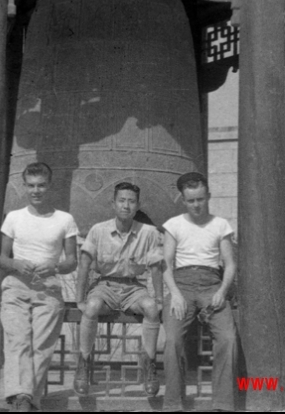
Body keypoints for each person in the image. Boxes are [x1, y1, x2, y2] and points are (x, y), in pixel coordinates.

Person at [0, 162, 79, 412]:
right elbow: (2, 258)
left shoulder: (65, 220)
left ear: (49, 186)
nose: (36, 190)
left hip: (49, 288)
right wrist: (15, 263)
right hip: (16, 286)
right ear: (25, 187)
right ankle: (25, 400)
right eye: (31, 185)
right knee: (17, 342)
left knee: (41, 347)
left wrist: (54, 268)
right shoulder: (13, 217)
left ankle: (23, 400)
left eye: (41, 185)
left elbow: (71, 261)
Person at [74, 182, 163, 397]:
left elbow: (155, 268)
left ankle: (150, 366)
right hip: (105, 285)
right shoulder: (98, 230)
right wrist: (79, 298)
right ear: (113, 203)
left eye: (131, 201)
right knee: (92, 307)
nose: (126, 206)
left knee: (151, 308)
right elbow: (84, 263)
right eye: (121, 200)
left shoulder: (148, 233)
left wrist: (159, 298)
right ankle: (83, 365)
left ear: (137, 205)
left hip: (132, 287)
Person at [162, 172, 237, 412]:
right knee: (173, 340)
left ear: (209, 197)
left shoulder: (220, 225)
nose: (196, 204)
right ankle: (173, 404)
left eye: (201, 199)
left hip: (211, 284)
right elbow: (165, 264)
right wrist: (174, 293)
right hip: (180, 285)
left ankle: (223, 404)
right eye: (191, 200)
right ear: (183, 200)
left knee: (227, 338)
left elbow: (230, 263)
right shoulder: (173, 225)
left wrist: (222, 291)